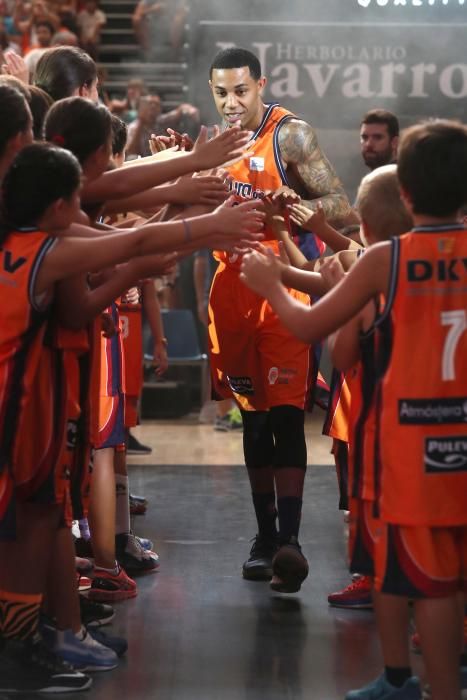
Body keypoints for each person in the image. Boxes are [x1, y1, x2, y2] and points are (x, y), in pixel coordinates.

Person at [241, 119, 467, 700]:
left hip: (412, 446)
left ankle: (428, 687)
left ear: (408, 194)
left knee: (427, 584)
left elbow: (312, 325)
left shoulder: (386, 260)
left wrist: (269, 286)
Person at [207, 47, 351, 593]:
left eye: (241, 90)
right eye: (221, 92)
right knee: (255, 418)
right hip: (231, 289)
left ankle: (290, 538)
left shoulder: (290, 135)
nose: (231, 102)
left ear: (260, 85)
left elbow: (342, 207)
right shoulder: (216, 143)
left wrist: (293, 206)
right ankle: (263, 536)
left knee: (287, 416)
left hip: (285, 285)